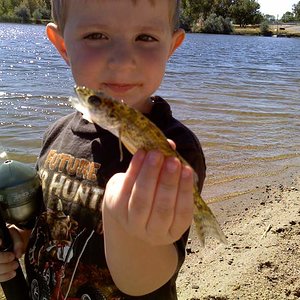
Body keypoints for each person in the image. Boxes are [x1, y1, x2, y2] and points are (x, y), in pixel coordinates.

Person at [0, 1, 206, 299]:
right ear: (62, 45)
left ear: (171, 46)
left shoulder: (177, 150)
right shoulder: (54, 133)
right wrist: (19, 239)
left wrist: (128, 229)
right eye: (96, 36)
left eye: (145, 38)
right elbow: (46, 223)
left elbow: (150, 279)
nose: (122, 61)